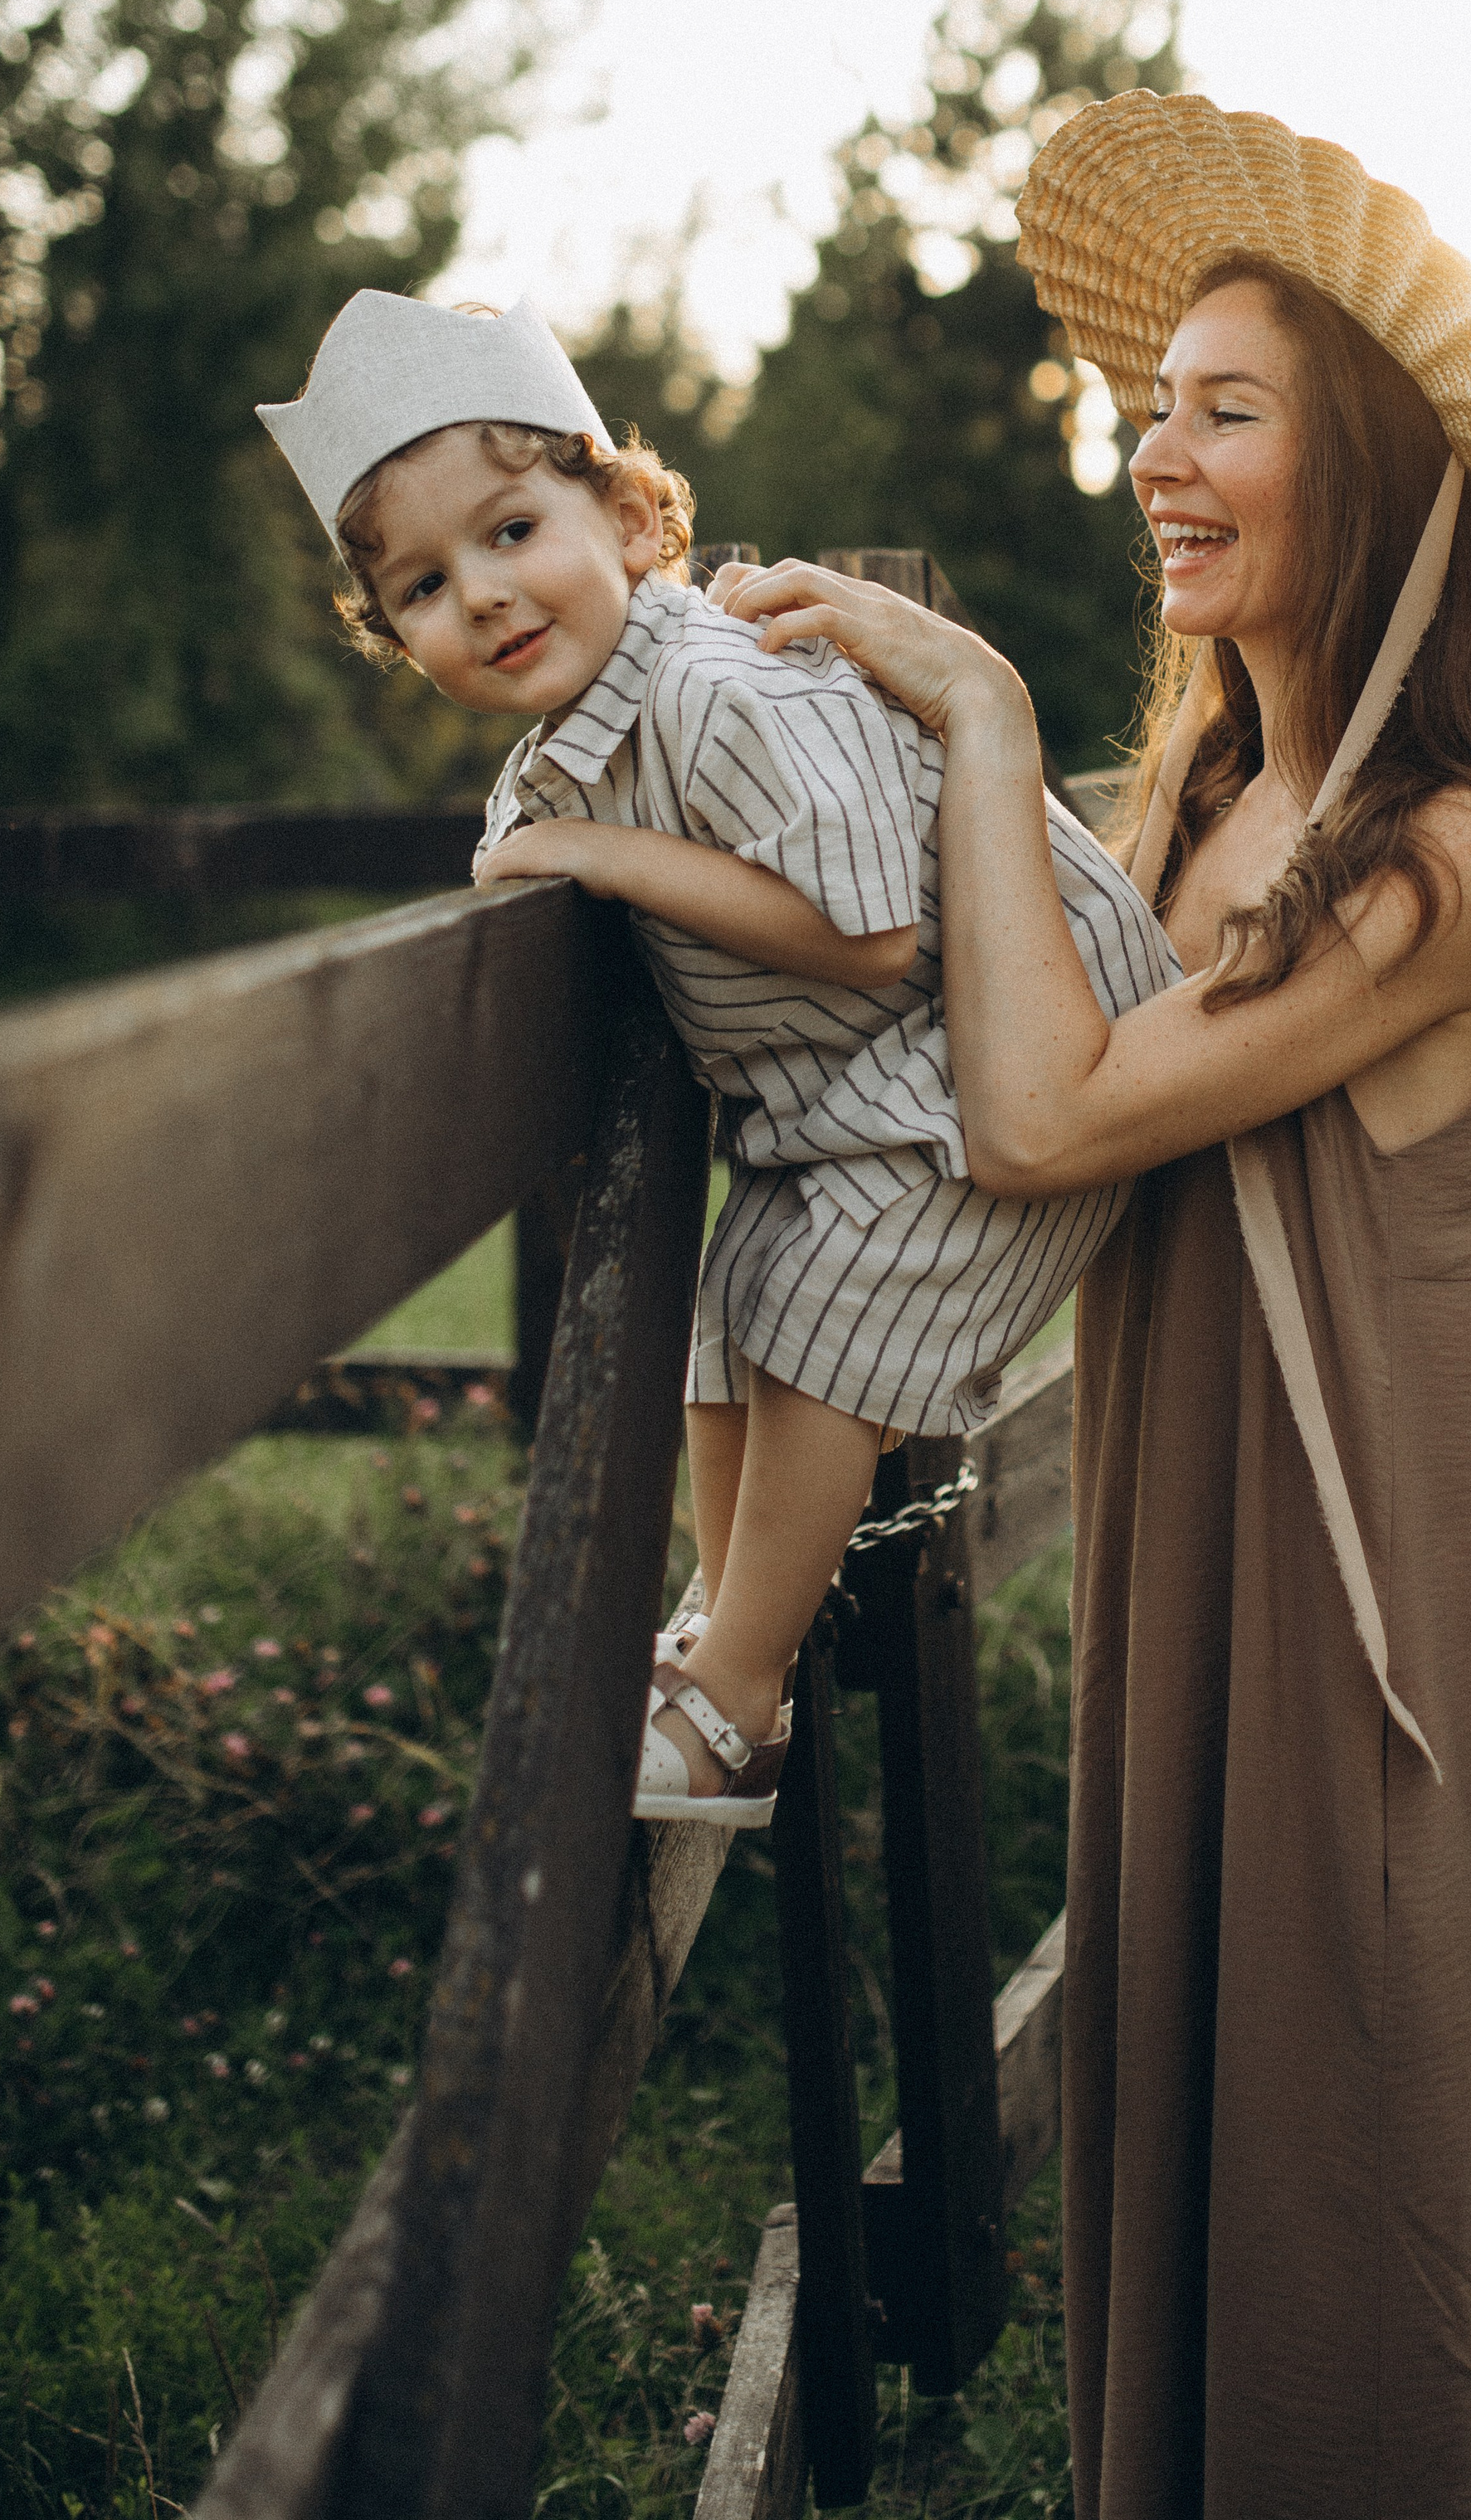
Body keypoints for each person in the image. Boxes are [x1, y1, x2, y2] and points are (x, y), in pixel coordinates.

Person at [709, 95, 1471, 2515]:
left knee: (1401, 2127)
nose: (1154, 455)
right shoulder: (1186, 806)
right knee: (1231, 2100)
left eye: (1222, 411)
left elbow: (1047, 1121)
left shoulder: (1458, 851)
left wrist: (961, 702)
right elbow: (948, 1019)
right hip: (1212, 1536)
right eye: (1151, 407)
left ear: (1364, 474)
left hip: (1414, 1613)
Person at [256, 290, 1177, 1828]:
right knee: (722, 1310)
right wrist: (566, 849)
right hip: (844, 1102)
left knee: (814, 1318)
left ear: (627, 517)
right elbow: (531, 866)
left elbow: (871, 932)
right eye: (421, 585)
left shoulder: (720, 683)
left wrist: (604, 856)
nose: (480, 598)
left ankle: (742, 1699)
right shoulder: (568, 744)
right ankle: (723, 1627)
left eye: (510, 531)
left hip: (997, 1059)